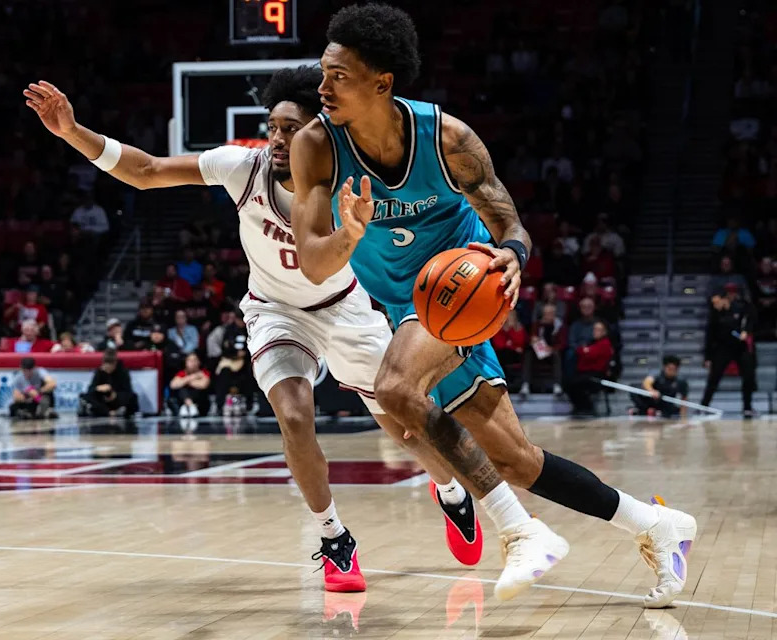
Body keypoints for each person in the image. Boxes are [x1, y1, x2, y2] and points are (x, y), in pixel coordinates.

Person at [289, 3, 695, 606]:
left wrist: (512, 255)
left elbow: (510, 222)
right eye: (323, 73)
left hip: (458, 293)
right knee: (514, 460)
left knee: (397, 390)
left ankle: (520, 532)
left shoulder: (447, 139)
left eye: (338, 76)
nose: (321, 88)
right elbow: (313, 260)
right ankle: (655, 524)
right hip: (401, 306)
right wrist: (347, 235)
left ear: (383, 82)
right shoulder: (316, 146)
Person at [25, 66, 484, 593]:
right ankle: (334, 538)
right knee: (293, 414)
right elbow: (148, 170)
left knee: (404, 428)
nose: (279, 139)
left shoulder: (351, 180)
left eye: (292, 129)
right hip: (276, 311)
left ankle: (450, 492)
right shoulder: (243, 167)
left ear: (321, 132)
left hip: (345, 306)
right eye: (273, 127)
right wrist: (73, 132)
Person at [701, 292, 756, 418]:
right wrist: (708, 357)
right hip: (722, 349)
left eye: (716, 302)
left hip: (739, 348)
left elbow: (749, 320)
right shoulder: (714, 315)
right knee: (714, 378)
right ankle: (703, 406)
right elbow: (709, 337)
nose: (715, 305)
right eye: (713, 303)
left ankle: (747, 407)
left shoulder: (739, 308)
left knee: (748, 376)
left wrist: (746, 332)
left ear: (724, 299)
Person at [564, 321, 615, 416]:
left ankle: (587, 408)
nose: (595, 331)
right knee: (569, 382)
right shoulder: (592, 343)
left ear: (604, 332)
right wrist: (584, 351)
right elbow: (582, 353)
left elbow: (590, 355)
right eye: (594, 329)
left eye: (599, 330)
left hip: (596, 375)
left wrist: (585, 351)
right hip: (585, 373)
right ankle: (581, 407)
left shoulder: (605, 344)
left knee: (574, 384)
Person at [521, 303, 566, 397]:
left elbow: (562, 344)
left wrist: (552, 348)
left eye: (550, 313)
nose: (547, 315)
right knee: (528, 353)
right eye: (545, 313)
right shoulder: (537, 325)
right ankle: (525, 385)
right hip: (538, 352)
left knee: (557, 355)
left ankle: (557, 385)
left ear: (554, 314)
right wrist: (533, 340)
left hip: (552, 353)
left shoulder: (560, 326)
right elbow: (529, 339)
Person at [79, 351, 139, 417]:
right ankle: (109, 412)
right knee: (84, 396)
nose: (107, 369)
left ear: (115, 364)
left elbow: (128, 390)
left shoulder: (123, 372)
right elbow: (90, 389)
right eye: (106, 366)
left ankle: (117, 411)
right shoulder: (100, 371)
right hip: (103, 400)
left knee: (132, 397)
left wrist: (115, 395)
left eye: (110, 367)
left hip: (117, 399)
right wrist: (98, 388)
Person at [168, 352, 212, 417]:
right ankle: (190, 405)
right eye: (190, 360)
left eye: (195, 360)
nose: (193, 363)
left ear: (199, 362)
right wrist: (193, 377)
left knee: (186, 387)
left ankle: (190, 406)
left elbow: (203, 385)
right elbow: (173, 385)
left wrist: (184, 382)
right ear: (185, 362)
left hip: (199, 402)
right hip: (183, 401)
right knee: (182, 390)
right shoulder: (182, 373)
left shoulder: (203, 373)